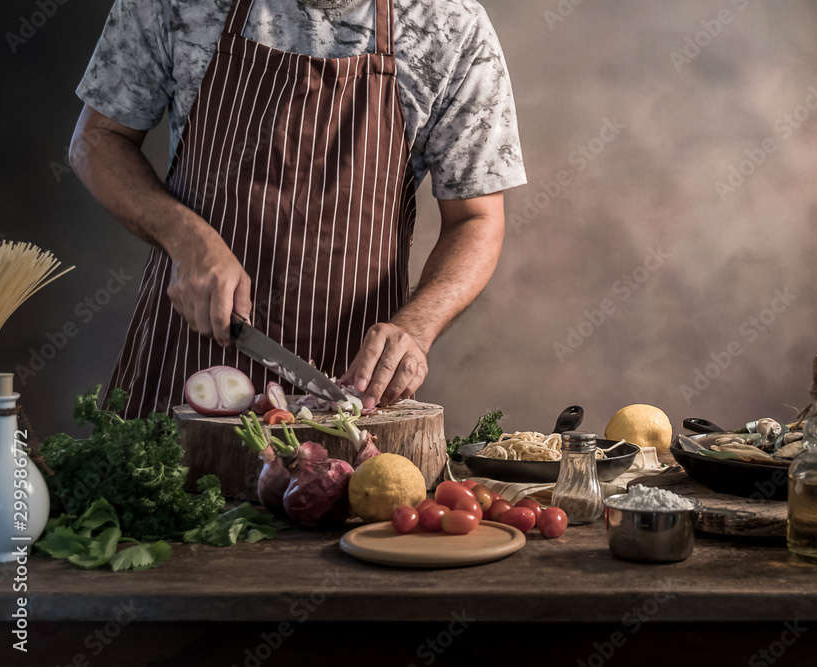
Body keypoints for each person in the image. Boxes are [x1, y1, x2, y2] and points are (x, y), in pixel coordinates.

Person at [70, 0, 526, 418]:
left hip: (349, 392)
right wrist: (186, 239)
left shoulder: (450, 27)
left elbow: (476, 218)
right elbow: (97, 142)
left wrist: (416, 327)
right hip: (188, 367)